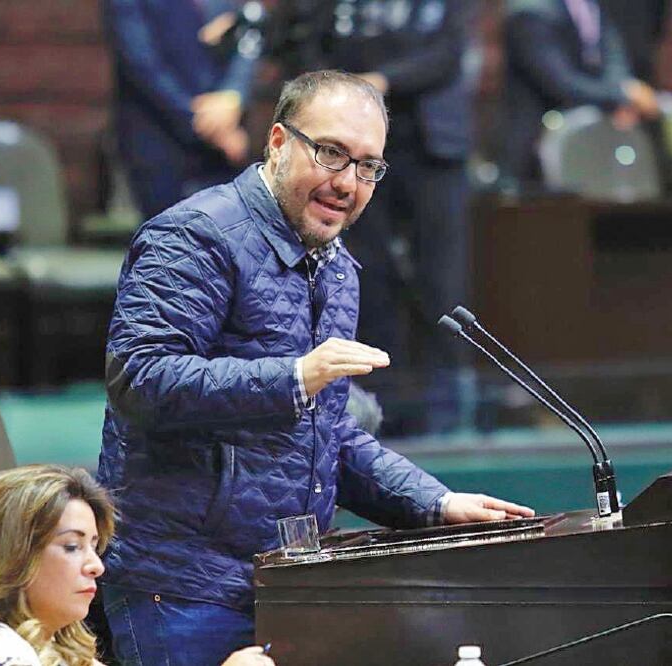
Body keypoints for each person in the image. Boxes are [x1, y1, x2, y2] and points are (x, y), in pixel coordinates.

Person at [96, 70, 535, 665]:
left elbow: (325, 433)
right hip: (178, 588)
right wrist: (294, 377)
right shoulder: (194, 237)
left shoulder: (335, 266)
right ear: (278, 142)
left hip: (284, 586)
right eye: (331, 153)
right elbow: (141, 378)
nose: (347, 182)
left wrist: (435, 503)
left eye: (368, 166)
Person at [270, 1, 476, 433]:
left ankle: (452, 416)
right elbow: (304, 43)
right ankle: (379, 413)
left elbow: (448, 51)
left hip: (432, 145)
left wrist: (380, 82)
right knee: (367, 280)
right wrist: (346, 93)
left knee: (442, 282)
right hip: (349, 149)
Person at [0, 465, 274, 666]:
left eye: (94, 547)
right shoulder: (0, 650)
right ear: (14, 553)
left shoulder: (63, 649)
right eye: (72, 546)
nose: (96, 566)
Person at [104, 0, 263, 219]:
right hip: (160, 138)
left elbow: (251, 26)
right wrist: (208, 124)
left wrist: (233, 93)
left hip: (226, 143)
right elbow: (141, 62)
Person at [500, 0, 660, 190]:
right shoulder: (530, 9)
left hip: (596, 146)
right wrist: (621, 95)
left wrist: (622, 96)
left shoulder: (592, 6)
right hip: (536, 152)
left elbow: (613, 55)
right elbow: (557, 81)